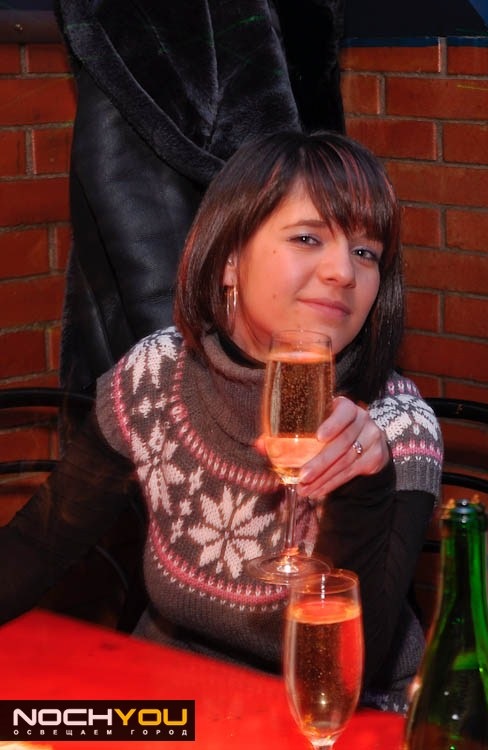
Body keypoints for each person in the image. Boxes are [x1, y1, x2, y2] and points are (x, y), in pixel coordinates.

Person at [0, 131, 442, 714]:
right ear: (230, 259)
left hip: (326, 720)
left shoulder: (395, 426)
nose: (343, 271)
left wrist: (363, 484)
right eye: (308, 238)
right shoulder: (159, 375)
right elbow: (38, 544)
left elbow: (347, 672)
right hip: (168, 704)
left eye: (366, 253)